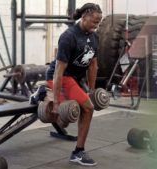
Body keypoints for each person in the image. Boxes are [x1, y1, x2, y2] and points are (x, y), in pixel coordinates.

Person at [45, 3, 102, 166]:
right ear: (84, 17)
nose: (95, 26)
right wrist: (55, 102)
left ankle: (77, 150)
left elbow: (93, 65)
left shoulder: (94, 37)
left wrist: (91, 90)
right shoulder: (68, 36)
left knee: (69, 117)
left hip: (75, 79)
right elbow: (58, 71)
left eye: (98, 23)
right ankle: (78, 153)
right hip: (61, 77)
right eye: (93, 22)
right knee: (87, 108)